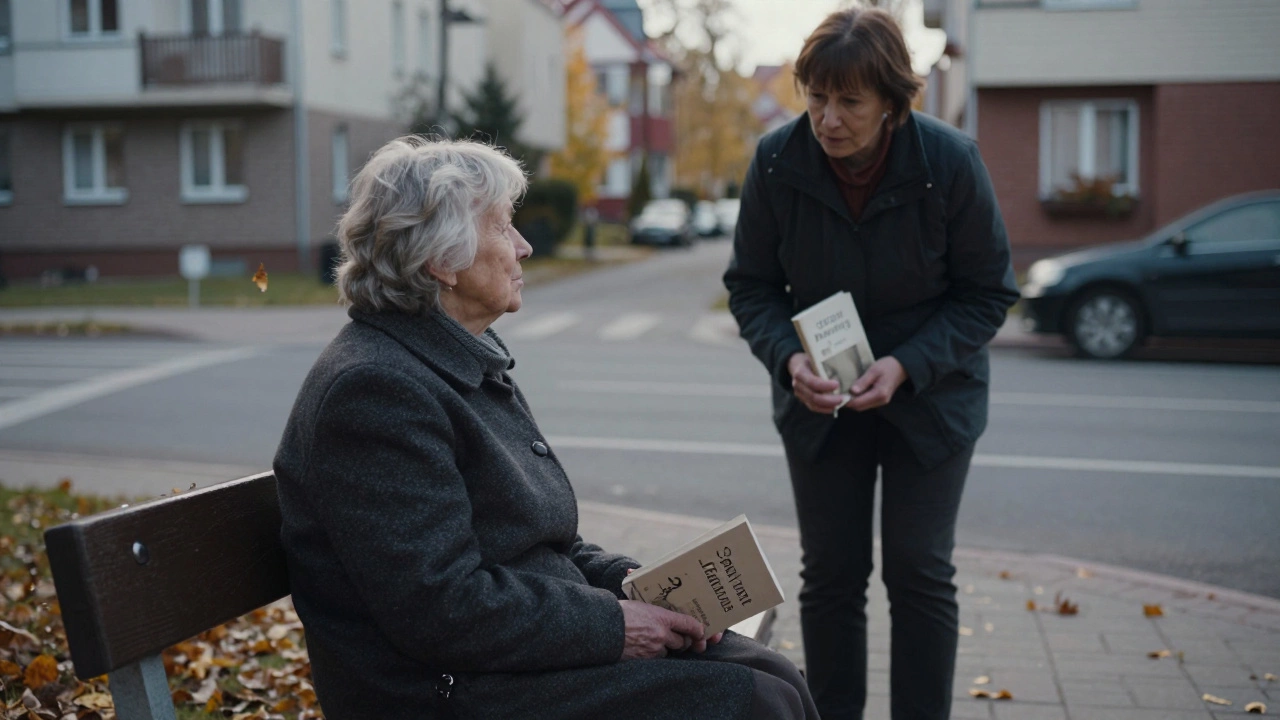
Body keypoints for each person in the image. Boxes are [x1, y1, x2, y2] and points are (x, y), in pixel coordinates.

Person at [273, 136, 818, 720]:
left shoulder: (454, 358)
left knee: (772, 672)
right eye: (504, 227)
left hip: (500, 658)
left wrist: (637, 584)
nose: (524, 247)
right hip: (439, 691)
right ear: (440, 260)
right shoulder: (374, 391)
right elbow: (442, 608)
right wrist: (616, 624)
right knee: (752, 702)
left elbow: (540, 545)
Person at [722, 8, 1020, 720]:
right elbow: (751, 286)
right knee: (830, 577)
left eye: (849, 101)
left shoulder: (949, 163)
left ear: (892, 101)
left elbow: (988, 294)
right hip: (821, 405)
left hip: (931, 401)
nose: (828, 119)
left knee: (919, 572)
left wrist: (906, 366)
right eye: (816, 96)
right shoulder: (774, 161)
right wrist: (788, 358)